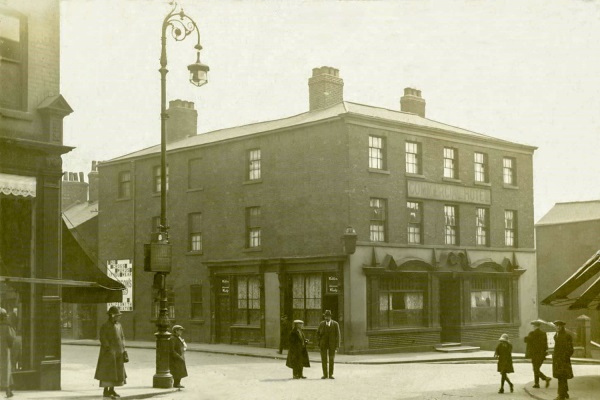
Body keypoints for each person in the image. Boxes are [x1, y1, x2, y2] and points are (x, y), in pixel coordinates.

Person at [94, 306, 127, 399]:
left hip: (118, 352)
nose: (119, 317)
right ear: (112, 316)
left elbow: (122, 337)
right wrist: (109, 349)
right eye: (117, 315)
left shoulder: (119, 325)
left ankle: (112, 389)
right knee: (108, 372)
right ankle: (106, 391)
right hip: (108, 353)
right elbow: (103, 338)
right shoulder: (105, 326)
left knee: (116, 373)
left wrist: (124, 348)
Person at [525, 319, 551, 389]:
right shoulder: (543, 333)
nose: (533, 327)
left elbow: (526, 340)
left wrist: (525, 338)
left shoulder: (532, 333)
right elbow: (545, 344)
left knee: (535, 369)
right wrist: (545, 352)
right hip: (541, 354)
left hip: (534, 354)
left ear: (534, 326)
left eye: (533, 326)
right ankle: (537, 383)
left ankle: (544, 379)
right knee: (536, 369)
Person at [552, 320, 574, 400]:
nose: (557, 327)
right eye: (556, 326)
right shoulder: (556, 335)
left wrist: (564, 357)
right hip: (557, 360)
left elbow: (570, 349)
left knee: (562, 377)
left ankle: (561, 395)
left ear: (562, 327)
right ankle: (565, 393)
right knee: (561, 377)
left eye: (559, 326)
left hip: (563, 361)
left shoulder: (566, 336)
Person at [317, 310, 340, 379]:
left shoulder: (335, 324)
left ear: (330, 317)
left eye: (328, 317)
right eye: (325, 317)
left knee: (331, 359)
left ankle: (330, 374)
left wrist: (337, 346)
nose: (326, 318)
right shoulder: (321, 324)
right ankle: (325, 374)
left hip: (332, 345)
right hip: (323, 345)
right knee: (324, 359)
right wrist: (319, 343)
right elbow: (317, 334)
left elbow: (338, 335)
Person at [0, 308, 15, 398]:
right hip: (4, 350)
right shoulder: (7, 326)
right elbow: (12, 337)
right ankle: (8, 389)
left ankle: (8, 389)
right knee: (6, 368)